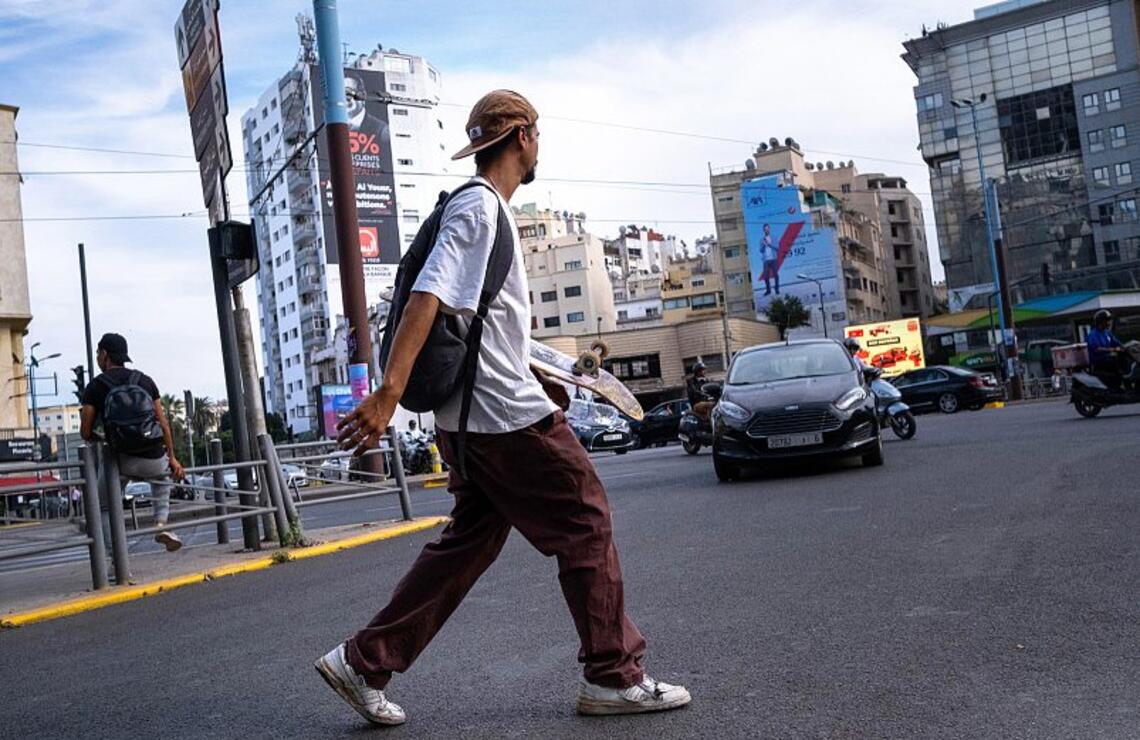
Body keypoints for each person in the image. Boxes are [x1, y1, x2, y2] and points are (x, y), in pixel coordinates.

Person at [316, 90, 691, 726]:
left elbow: (491, 328)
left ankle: (363, 661)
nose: (539, 144)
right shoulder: (480, 210)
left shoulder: (486, 212)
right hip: (502, 419)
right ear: (520, 137)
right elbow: (425, 300)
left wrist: (562, 370)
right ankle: (611, 673)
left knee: (468, 543)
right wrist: (386, 393)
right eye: (537, 134)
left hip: (468, 424)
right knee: (585, 521)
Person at [79, 333, 185, 551]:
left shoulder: (95, 387)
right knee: (162, 481)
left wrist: (103, 439)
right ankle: (160, 523)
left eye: (99, 353)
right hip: (154, 456)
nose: (98, 357)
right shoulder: (144, 381)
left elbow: (86, 432)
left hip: (121, 461)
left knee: (103, 506)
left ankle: (114, 556)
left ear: (105, 354)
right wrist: (172, 458)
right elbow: (163, 424)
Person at [1086, 309, 1134, 381]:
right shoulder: (1093, 334)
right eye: (1107, 320)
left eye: (1110, 320)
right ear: (1101, 322)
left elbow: (1117, 343)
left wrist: (1127, 347)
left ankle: (1130, 376)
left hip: (1107, 358)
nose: (1109, 322)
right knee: (1116, 357)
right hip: (1100, 361)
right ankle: (1123, 378)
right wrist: (1113, 349)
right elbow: (1096, 349)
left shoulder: (1107, 333)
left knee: (1126, 355)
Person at [760, 223, 780, 296]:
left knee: (776, 275)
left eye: (767, 229)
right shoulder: (762, 240)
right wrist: (764, 245)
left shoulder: (774, 238)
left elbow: (777, 248)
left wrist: (769, 245)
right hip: (766, 260)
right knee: (765, 276)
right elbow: (761, 251)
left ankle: (777, 289)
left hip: (773, 259)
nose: (766, 230)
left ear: (769, 229)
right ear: (763, 230)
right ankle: (768, 290)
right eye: (765, 229)